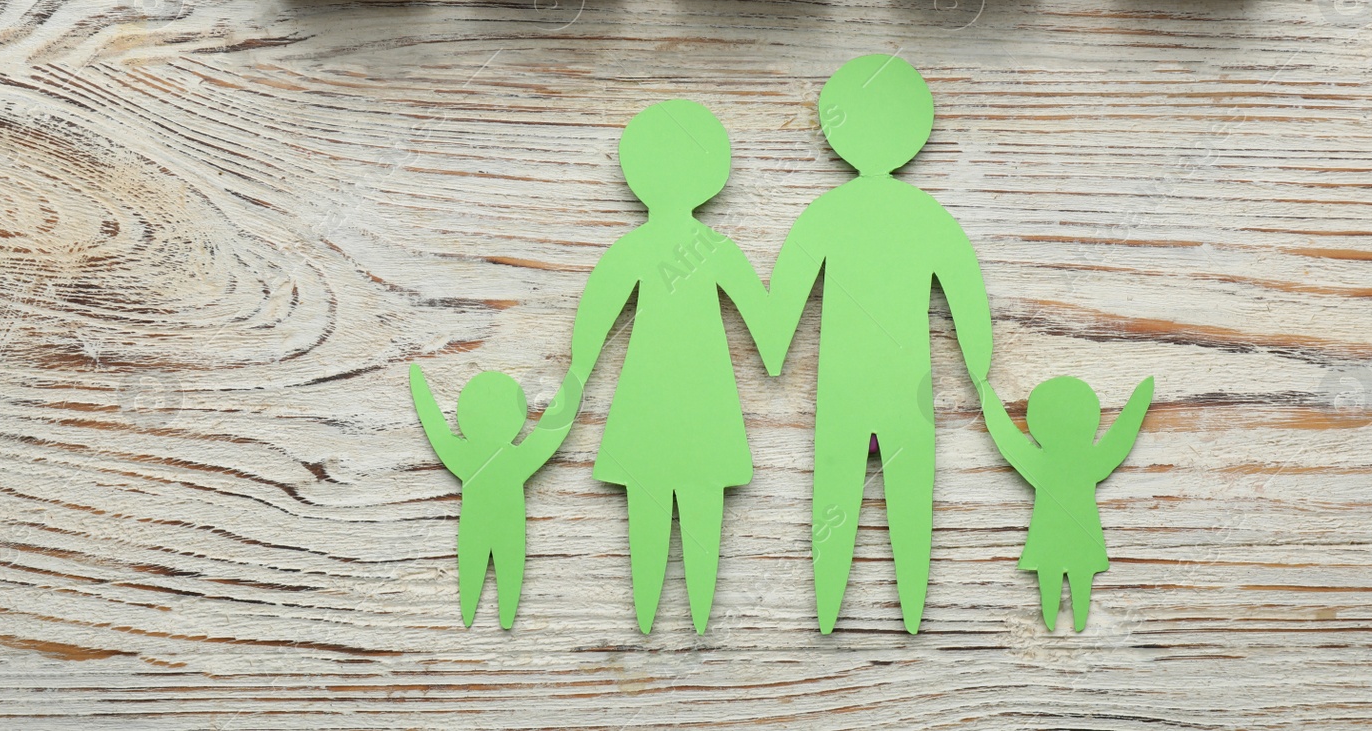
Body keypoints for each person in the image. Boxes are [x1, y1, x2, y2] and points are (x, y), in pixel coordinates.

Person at [763, 54, 997, 634]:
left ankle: (828, 610)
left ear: (836, 130)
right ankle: (912, 610)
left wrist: (770, 345)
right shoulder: (926, 214)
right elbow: (968, 301)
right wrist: (980, 372)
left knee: (834, 491)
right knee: (911, 492)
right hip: (909, 388)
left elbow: (780, 315)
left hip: (841, 387)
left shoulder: (827, 212)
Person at [562, 98, 777, 633]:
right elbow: (767, 332)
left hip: (644, 402)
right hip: (707, 403)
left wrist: (577, 379)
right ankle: (699, 615)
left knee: (648, 499)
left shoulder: (633, 247)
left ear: (636, 175)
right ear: (714, 175)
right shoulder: (715, 247)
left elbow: (591, 326)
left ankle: (647, 612)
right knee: (703, 498)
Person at [409, 364, 577, 629]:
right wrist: (575, 380)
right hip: (508, 532)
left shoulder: (463, 456)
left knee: (476, 571)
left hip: (475, 530)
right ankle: (501, 615)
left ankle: (477, 613)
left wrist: (419, 387)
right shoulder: (518, 458)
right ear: (517, 419)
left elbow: (435, 427)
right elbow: (550, 433)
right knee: (505, 574)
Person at [982, 375, 1154, 631]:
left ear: (1035, 423)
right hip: (1079, 538)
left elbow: (1005, 435)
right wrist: (1139, 402)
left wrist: (984, 388)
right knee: (1076, 576)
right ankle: (1071, 619)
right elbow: (1121, 436)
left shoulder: (1039, 463)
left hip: (1049, 538)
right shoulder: (1090, 461)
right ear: (1091, 420)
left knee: (1052, 576)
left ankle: (1056, 620)